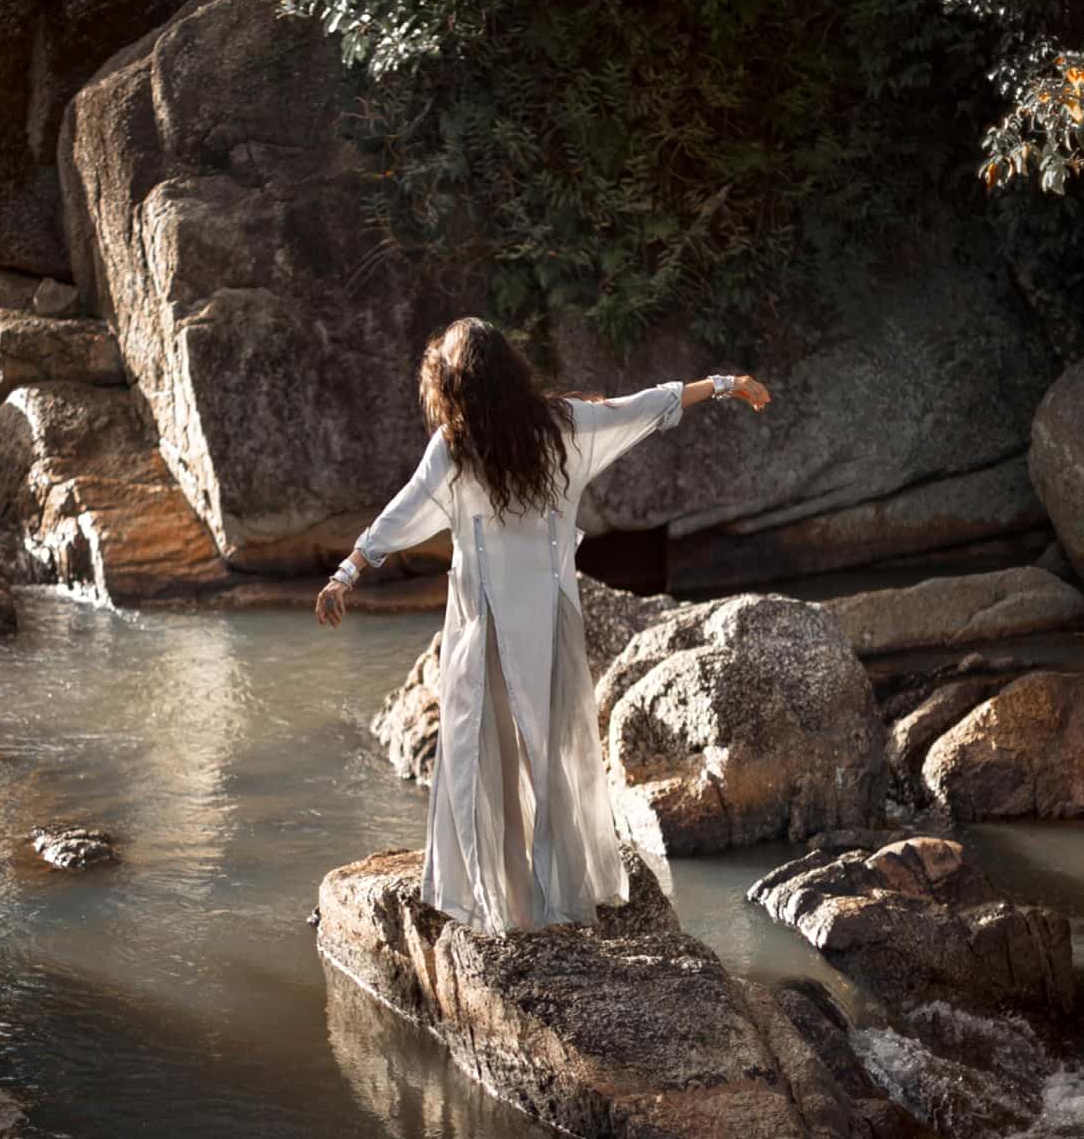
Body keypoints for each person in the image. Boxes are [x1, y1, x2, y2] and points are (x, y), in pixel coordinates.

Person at [315, 317, 771, 935]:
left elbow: (402, 512)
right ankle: (553, 899)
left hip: (486, 631)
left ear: (454, 387)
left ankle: (519, 908)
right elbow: (645, 406)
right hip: (549, 619)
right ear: (508, 373)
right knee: (548, 755)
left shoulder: (455, 448)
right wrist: (723, 383)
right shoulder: (561, 427)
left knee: (492, 759)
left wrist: (349, 570)